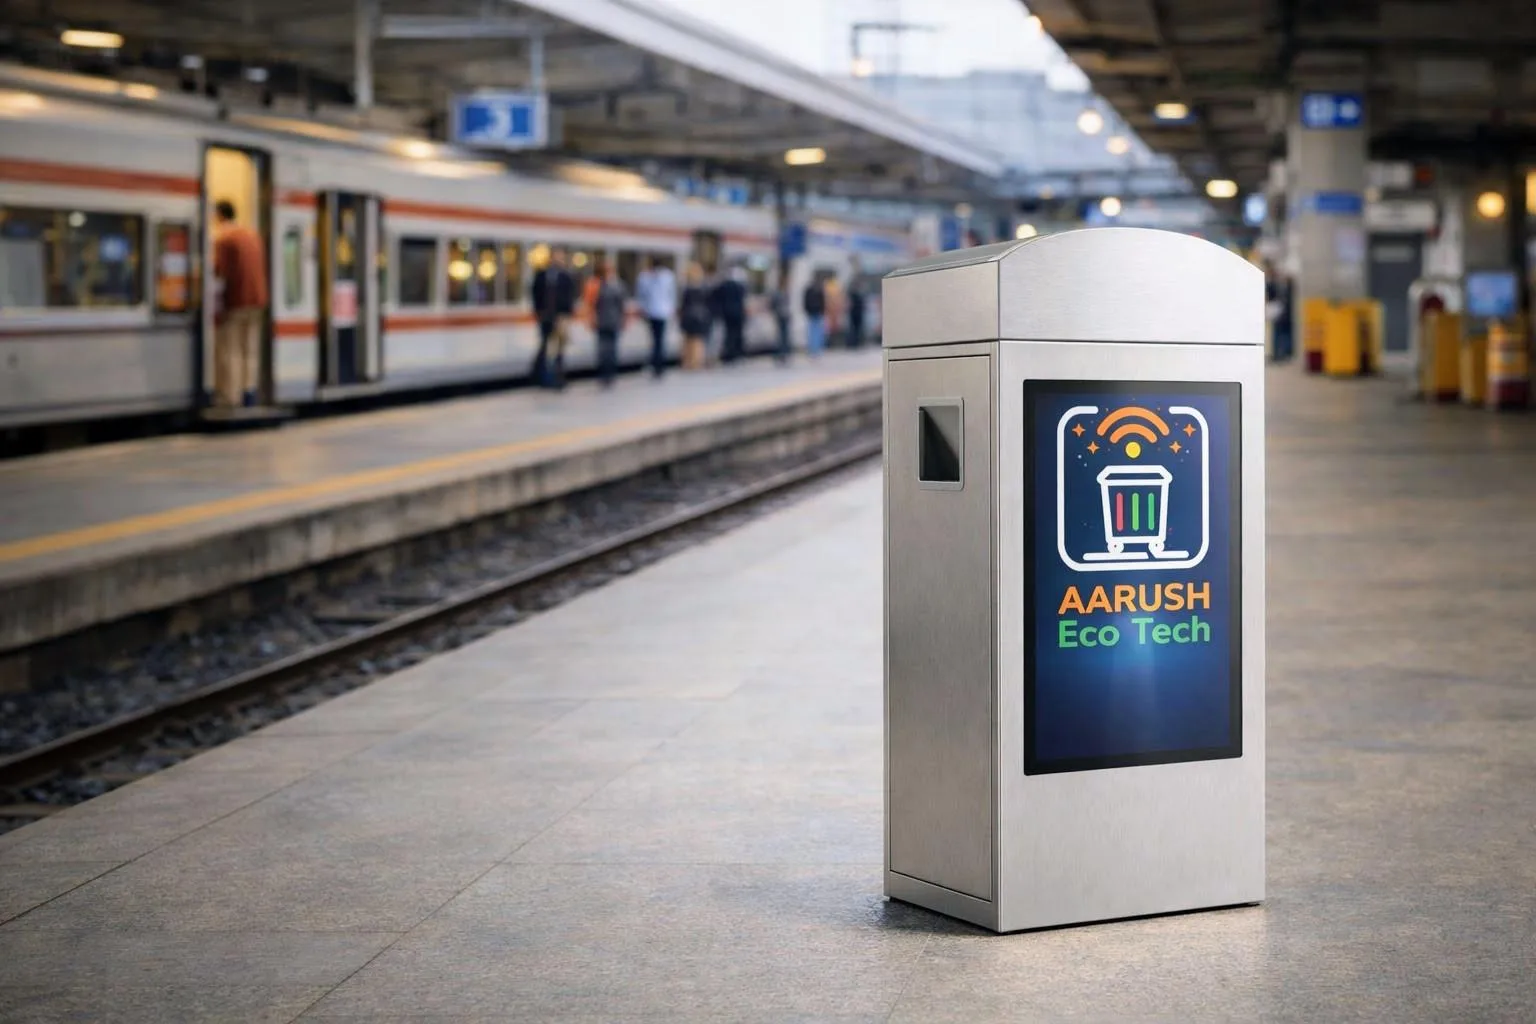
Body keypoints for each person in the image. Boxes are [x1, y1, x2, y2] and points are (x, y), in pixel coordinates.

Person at [212, 199, 268, 407]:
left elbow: (219, 272)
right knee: (249, 348)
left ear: (219, 215)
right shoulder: (252, 234)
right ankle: (249, 392)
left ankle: (230, 396)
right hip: (257, 300)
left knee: (230, 350)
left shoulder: (224, 238)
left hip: (236, 301)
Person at [531, 248, 575, 388]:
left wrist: (566, 314)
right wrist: (539, 312)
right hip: (546, 316)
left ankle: (558, 377)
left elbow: (570, 296)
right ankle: (544, 377)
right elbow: (535, 293)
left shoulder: (566, 276)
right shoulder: (542, 275)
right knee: (546, 347)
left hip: (561, 317)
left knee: (559, 349)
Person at [635, 257, 676, 377]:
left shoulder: (644, 277)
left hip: (652, 312)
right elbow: (671, 295)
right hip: (662, 312)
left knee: (654, 340)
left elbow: (641, 295)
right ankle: (659, 366)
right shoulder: (668, 276)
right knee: (660, 340)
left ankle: (655, 364)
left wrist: (643, 309)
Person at [593, 265, 628, 388]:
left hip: (611, 321)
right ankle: (604, 374)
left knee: (610, 349)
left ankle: (609, 374)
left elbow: (621, 305)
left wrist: (622, 320)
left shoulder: (615, 287)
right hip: (605, 321)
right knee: (604, 350)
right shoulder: (601, 285)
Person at [678, 263, 712, 370]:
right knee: (698, 341)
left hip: (688, 317)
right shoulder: (704, 288)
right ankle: (696, 363)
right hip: (700, 317)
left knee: (687, 341)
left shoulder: (687, 289)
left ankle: (686, 362)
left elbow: (683, 304)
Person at [712, 266, 748, 364]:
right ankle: (737, 353)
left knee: (728, 335)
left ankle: (728, 355)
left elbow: (716, 298)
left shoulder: (723, 286)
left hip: (727, 314)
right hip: (738, 314)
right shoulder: (740, 287)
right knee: (737, 334)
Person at [802, 276, 827, 357]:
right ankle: (816, 349)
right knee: (817, 332)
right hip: (817, 312)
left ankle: (813, 349)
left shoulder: (809, 290)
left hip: (812, 312)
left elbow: (805, 302)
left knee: (812, 331)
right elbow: (823, 302)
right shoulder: (819, 290)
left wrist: (807, 310)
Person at [770, 282, 792, 364]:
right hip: (781, 316)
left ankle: (783, 353)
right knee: (782, 336)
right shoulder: (781, 294)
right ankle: (782, 353)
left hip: (781, 316)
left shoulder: (780, 294)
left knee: (783, 336)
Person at [846, 278, 867, 350]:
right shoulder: (853, 293)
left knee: (857, 329)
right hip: (854, 313)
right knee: (854, 329)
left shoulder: (859, 293)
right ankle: (853, 343)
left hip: (858, 313)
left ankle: (857, 342)